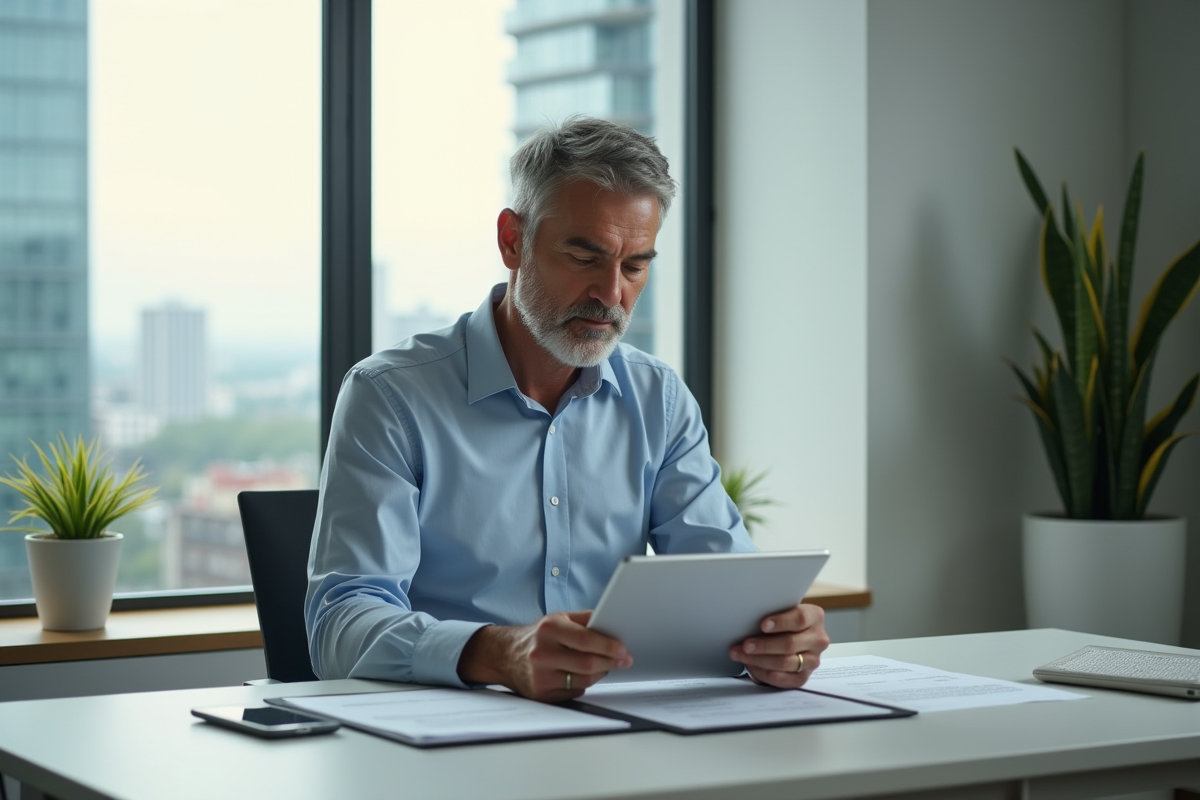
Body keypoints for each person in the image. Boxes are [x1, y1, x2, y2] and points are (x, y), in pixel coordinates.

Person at [305, 116, 829, 702]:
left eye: (635, 266)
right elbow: (339, 627)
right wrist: (497, 653)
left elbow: (732, 594)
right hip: (449, 743)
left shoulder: (658, 400)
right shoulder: (391, 396)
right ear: (512, 241)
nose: (611, 294)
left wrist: (775, 638)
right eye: (585, 257)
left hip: (616, 734)